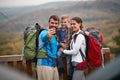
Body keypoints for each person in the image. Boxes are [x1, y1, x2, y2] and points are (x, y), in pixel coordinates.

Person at [37, 15, 60, 80]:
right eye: (52, 23)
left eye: (56, 23)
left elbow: (54, 50)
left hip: (53, 64)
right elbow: (44, 38)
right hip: (44, 64)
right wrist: (48, 35)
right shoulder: (44, 32)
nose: (54, 25)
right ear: (49, 23)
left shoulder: (54, 36)